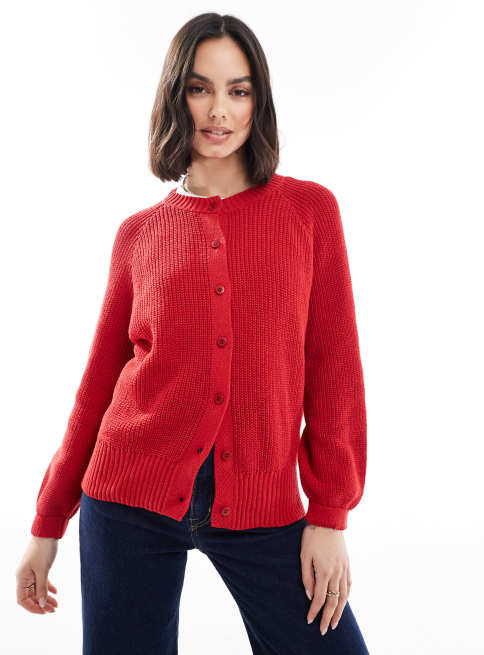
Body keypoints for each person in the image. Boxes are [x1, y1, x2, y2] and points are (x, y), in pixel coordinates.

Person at [16, 12, 369, 654]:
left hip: (263, 505)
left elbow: (334, 369)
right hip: (128, 499)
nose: (219, 110)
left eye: (238, 90)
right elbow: (98, 387)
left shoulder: (309, 212)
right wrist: (47, 522)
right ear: (175, 97)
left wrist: (329, 515)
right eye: (200, 88)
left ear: (258, 101)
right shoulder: (139, 235)